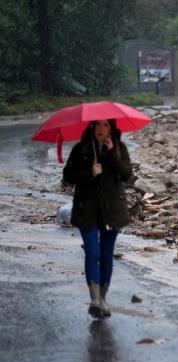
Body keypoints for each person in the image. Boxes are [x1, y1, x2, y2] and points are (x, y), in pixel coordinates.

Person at [63, 119, 132, 318]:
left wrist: (112, 155)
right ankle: (94, 299)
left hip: (112, 211)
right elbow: (68, 176)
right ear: (92, 127)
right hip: (87, 210)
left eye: (106, 125)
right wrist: (89, 172)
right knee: (92, 252)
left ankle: (103, 299)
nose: (101, 129)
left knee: (106, 254)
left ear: (112, 128)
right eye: (98, 125)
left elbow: (127, 175)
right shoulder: (81, 149)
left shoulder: (120, 148)